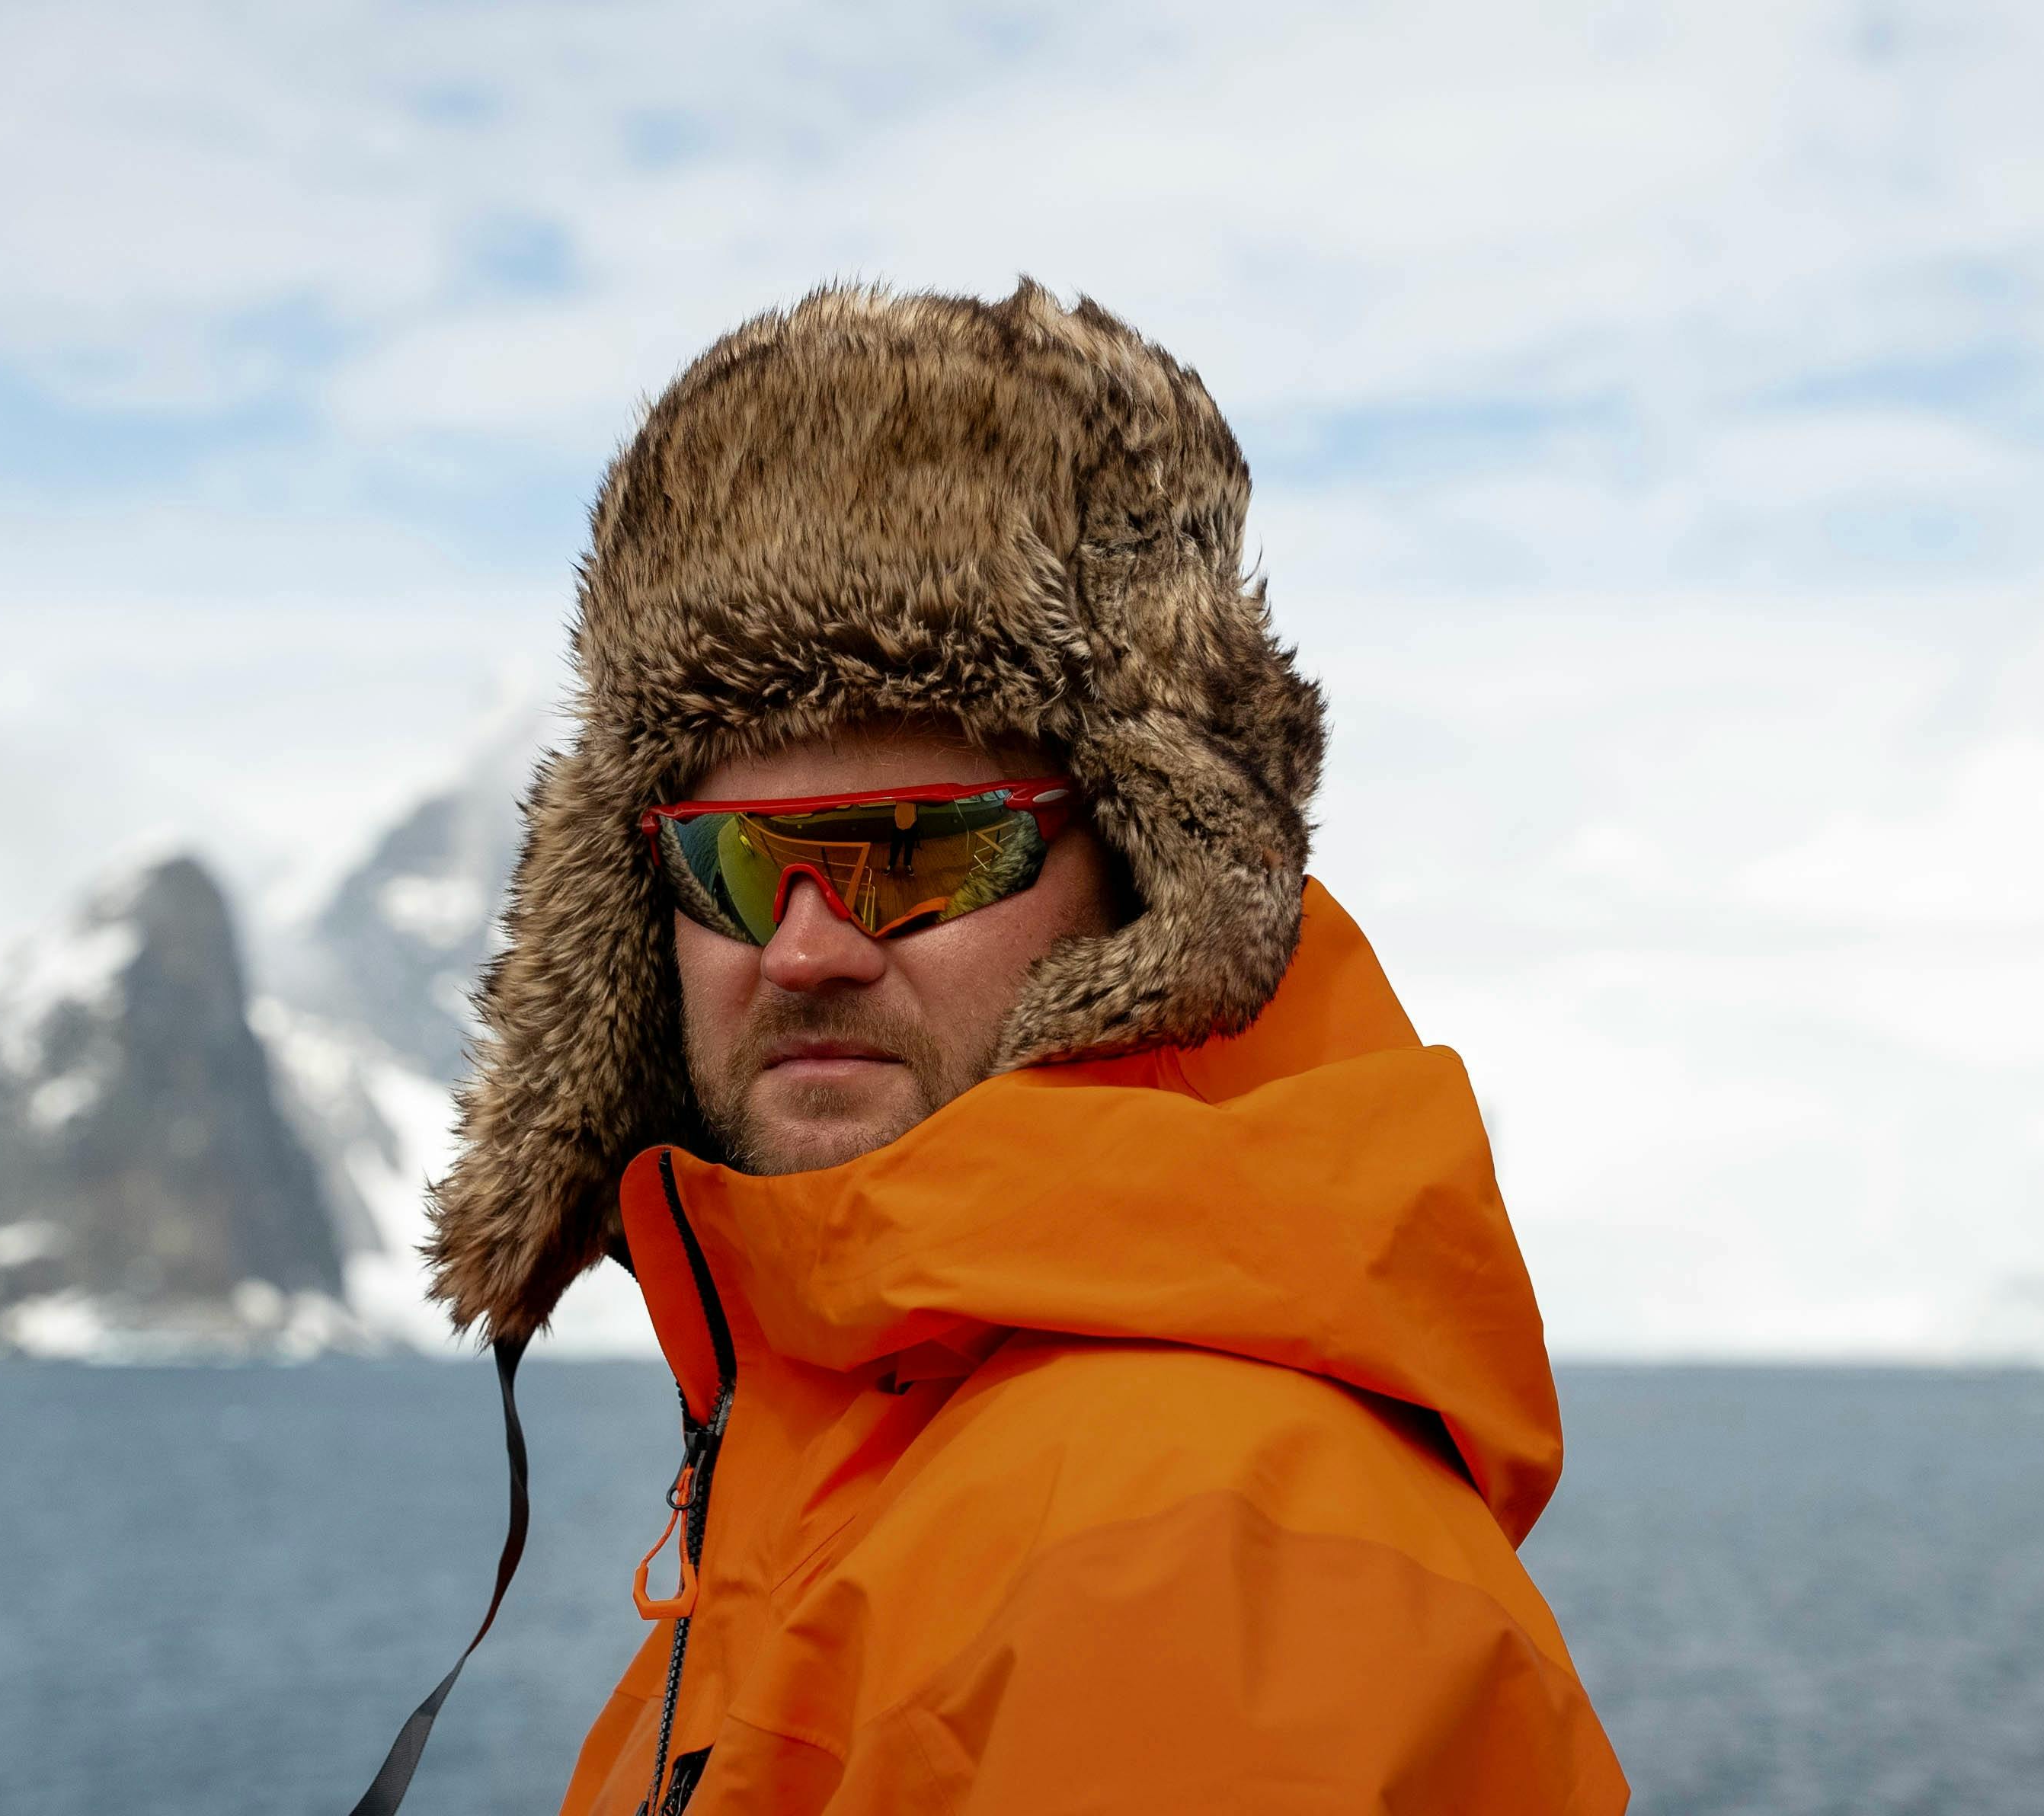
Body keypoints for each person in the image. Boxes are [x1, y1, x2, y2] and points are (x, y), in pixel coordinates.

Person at [424, 283, 1626, 1813]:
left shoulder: (1186, 1547)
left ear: (1138, 881)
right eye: (730, 866)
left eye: (918, 852)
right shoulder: (843, 1471)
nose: (802, 945)